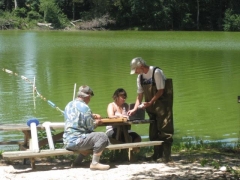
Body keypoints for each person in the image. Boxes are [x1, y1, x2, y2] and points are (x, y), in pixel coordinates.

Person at [127, 57, 174, 162]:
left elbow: (161, 91)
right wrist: (134, 109)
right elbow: (140, 95)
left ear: (141, 67)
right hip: (151, 107)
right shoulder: (140, 77)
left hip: (163, 106)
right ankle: (157, 155)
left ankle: (166, 156)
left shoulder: (156, 72)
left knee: (165, 130)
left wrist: (150, 102)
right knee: (153, 132)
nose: (135, 72)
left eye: (136, 70)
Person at [63, 85, 110, 170]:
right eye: (90, 97)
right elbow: (90, 127)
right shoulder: (85, 107)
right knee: (102, 137)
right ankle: (95, 163)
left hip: (67, 141)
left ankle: (77, 162)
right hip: (77, 141)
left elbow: (76, 118)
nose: (90, 99)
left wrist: (91, 115)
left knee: (90, 137)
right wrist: (97, 122)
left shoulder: (69, 105)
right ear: (88, 96)